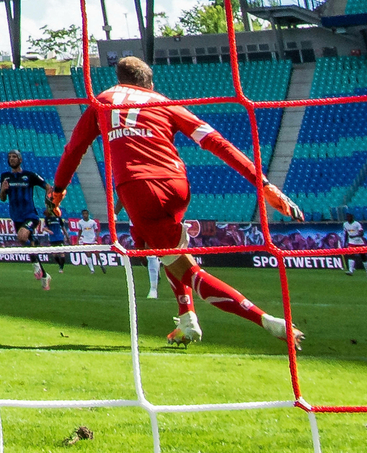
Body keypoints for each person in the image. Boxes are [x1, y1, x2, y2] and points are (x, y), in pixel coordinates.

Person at [49, 56, 305, 348]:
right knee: (164, 249)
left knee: (186, 269)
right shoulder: (163, 102)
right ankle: (186, 321)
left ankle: (269, 321)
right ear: (149, 82)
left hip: (139, 188)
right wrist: (264, 185)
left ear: (120, 80)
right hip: (177, 185)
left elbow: (74, 150)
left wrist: (58, 191)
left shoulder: (102, 101)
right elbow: (216, 141)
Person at [0, 149, 52, 290]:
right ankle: (45, 275)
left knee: (22, 236)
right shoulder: (5, 177)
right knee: (26, 243)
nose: (11, 159)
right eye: (9, 157)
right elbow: (2, 198)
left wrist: (49, 205)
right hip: (16, 216)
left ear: (20, 159)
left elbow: (48, 187)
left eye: (14, 156)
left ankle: (36, 266)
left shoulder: (29, 175)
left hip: (30, 215)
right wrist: (3, 190)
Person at [116, 199, 159, 298]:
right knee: (143, 258)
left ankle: (153, 289)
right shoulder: (130, 186)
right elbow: (122, 198)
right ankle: (155, 273)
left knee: (150, 255)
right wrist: (114, 213)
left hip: (150, 223)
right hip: (134, 225)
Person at [42, 206, 70, 273]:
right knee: (54, 254)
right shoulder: (47, 219)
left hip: (59, 237)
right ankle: (60, 265)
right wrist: (49, 231)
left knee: (62, 253)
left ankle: (61, 268)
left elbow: (63, 228)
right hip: (52, 238)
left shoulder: (58, 218)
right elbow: (44, 228)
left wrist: (67, 236)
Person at [343, 212, 367, 278]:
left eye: (349, 217)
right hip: (351, 242)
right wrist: (345, 242)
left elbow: (362, 233)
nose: (348, 218)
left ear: (352, 217)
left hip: (359, 242)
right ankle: (350, 271)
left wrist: (354, 236)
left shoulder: (357, 224)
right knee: (351, 255)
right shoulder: (345, 224)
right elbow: (346, 233)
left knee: (363, 257)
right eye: (347, 217)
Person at [77, 209, 105, 274]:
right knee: (88, 254)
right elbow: (80, 231)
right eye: (84, 214)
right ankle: (92, 269)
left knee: (97, 254)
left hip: (92, 240)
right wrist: (78, 239)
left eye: (86, 214)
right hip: (85, 240)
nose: (85, 215)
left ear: (88, 214)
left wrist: (96, 237)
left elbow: (97, 230)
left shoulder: (92, 222)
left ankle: (101, 264)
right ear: (82, 215)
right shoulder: (80, 222)